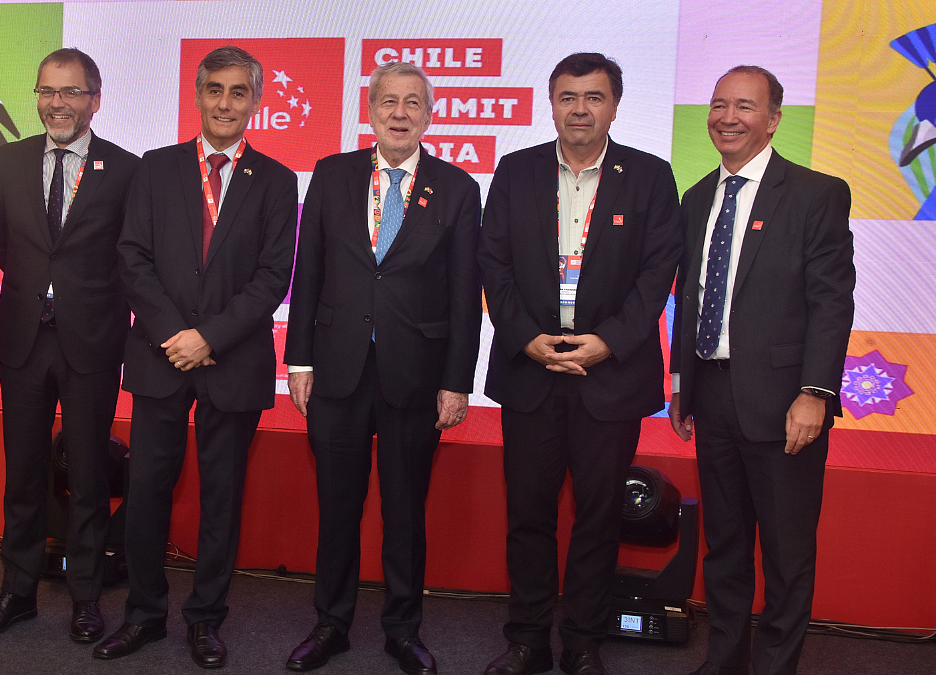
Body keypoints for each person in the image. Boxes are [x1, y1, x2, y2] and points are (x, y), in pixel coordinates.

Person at [92, 46, 297, 669]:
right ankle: (144, 614)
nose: (226, 103)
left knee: (221, 496)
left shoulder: (279, 180)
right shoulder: (156, 169)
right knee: (149, 489)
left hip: (231, 362)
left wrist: (208, 337)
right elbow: (132, 257)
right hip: (160, 356)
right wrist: (175, 333)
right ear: (199, 95)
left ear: (256, 102)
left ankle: (206, 619)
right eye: (215, 90)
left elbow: (271, 279)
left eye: (239, 93)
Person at [477, 52, 681, 675]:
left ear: (615, 104)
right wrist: (525, 338)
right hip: (531, 368)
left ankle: (584, 640)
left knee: (597, 517)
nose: (580, 109)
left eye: (594, 97)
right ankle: (528, 638)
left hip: (609, 375)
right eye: (569, 97)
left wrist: (608, 343)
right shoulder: (516, 170)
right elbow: (493, 262)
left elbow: (657, 274)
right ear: (552, 103)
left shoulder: (648, 175)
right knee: (528, 514)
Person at [283, 62, 482, 675]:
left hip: (415, 376)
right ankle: (331, 624)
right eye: (389, 102)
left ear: (429, 114)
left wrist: (456, 380)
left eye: (413, 103)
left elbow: (461, 294)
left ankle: (403, 629)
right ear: (370, 109)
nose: (401, 113)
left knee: (404, 510)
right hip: (337, 370)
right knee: (337, 506)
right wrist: (298, 359)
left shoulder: (455, 188)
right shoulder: (332, 173)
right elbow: (308, 270)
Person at [669, 65, 855, 675]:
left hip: (786, 403)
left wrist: (816, 391)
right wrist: (681, 385)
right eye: (719, 103)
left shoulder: (815, 194)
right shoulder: (696, 199)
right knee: (723, 549)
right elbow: (692, 299)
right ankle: (723, 662)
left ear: (773, 120)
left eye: (744, 106)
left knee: (786, 553)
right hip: (713, 395)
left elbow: (832, 301)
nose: (728, 116)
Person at [0, 48, 139, 643]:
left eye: (71, 93)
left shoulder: (124, 169)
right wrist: (38, 289)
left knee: (89, 475)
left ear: (94, 99)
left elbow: (131, 256)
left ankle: (86, 597)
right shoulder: (9, 161)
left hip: (91, 340)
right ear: (36, 96)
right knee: (24, 472)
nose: (57, 104)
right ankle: (16, 591)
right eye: (47, 92)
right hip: (21, 337)